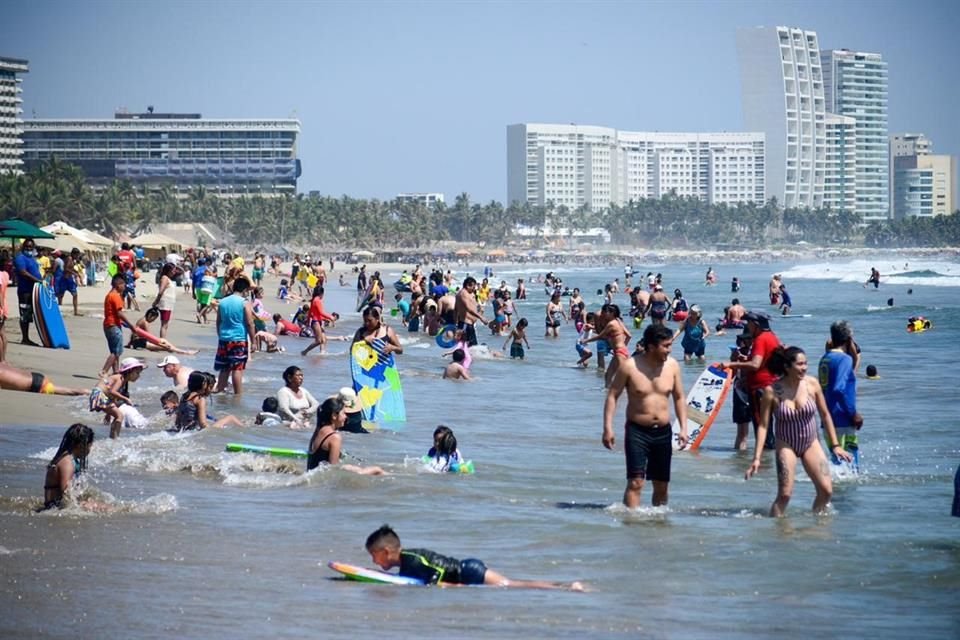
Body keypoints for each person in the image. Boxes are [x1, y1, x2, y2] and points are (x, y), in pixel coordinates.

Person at [745, 347, 853, 516]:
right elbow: (764, 426)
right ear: (787, 367)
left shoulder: (812, 384)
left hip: (811, 442)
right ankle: (777, 532)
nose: (804, 368)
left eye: (806, 363)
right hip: (786, 443)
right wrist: (757, 458)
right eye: (800, 364)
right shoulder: (771, 391)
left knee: (826, 491)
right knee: (785, 495)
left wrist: (836, 446)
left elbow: (825, 415)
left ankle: (817, 526)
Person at [602, 324, 687, 507]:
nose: (669, 350)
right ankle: (631, 527)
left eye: (670, 345)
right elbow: (612, 396)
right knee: (636, 482)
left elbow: (679, 398)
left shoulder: (672, 366)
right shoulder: (630, 367)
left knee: (661, 485)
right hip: (637, 432)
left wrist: (683, 428)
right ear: (651, 347)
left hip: (663, 432)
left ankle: (658, 527)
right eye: (666, 346)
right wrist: (608, 428)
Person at [365, 524, 584, 590]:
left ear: (386, 552)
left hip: (468, 571)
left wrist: (445, 586)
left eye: (374, 556)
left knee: (513, 584)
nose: (374, 562)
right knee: (514, 583)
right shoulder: (405, 564)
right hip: (468, 569)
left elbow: (435, 573)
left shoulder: (411, 559)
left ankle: (567, 587)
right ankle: (564, 585)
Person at [725, 311, 782, 450]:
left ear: (756, 324)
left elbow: (755, 365)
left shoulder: (760, 339)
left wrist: (731, 364)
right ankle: (769, 465)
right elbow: (767, 362)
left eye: (749, 323)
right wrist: (746, 360)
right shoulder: (773, 337)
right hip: (773, 387)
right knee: (769, 428)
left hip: (759, 389)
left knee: (761, 430)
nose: (747, 326)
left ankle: (762, 466)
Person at [819, 321, 864, 466]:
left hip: (828, 418)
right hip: (842, 418)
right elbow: (839, 389)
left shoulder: (825, 358)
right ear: (849, 339)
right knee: (851, 465)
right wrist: (853, 413)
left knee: (837, 462)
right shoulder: (844, 359)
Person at [306, 397, 385, 474]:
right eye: (343, 413)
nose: (346, 417)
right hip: (322, 481)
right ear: (334, 416)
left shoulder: (318, 430)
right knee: (377, 470)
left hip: (312, 474)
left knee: (352, 467)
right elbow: (332, 470)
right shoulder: (334, 437)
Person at [214, 275, 258, 395]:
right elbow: (250, 323)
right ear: (244, 290)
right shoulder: (244, 303)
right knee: (237, 369)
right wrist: (254, 342)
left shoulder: (223, 302)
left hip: (224, 338)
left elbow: (218, 321)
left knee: (224, 368)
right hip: (238, 339)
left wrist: (220, 335)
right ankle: (238, 395)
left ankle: (220, 391)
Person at [40, 423, 95, 511]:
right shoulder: (67, 463)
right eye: (90, 446)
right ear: (81, 445)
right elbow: (66, 494)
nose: (90, 449)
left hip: (55, 507)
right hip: (57, 510)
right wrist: (86, 505)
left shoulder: (64, 458)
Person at [90, 357, 143, 438]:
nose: (138, 376)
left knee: (117, 415)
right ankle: (114, 437)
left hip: (100, 395)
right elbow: (112, 391)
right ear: (129, 371)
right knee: (120, 416)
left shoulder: (122, 380)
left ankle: (113, 436)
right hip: (99, 394)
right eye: (137, 373)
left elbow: (112, 396)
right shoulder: (120, 378)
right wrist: (125, 399)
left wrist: (108, 414)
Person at [174, 371, 242, 431]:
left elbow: (178, 420)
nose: (211, 390)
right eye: (209, 387)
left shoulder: (184, 397)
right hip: (194, 429)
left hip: (184, 429)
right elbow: (203, 424)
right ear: (203, 385)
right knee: (231, 418)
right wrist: (214, 429)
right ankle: (246, 428)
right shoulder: (200, 399)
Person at [100, 275, 135, 377]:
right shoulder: (116, 296)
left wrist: (123, 324)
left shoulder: (109, 295)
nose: (124, 286)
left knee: (114, 350)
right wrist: (131, 325)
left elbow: (113, 313)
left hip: (108, 325)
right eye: (123, 284)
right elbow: (119, 313)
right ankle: (104, 371)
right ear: (118, 285)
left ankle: (116, 371)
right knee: (116, 351)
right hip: (113, 325)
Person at [13, 239, 43, 346]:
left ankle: (29, 337)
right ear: (23, 247)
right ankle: (25, 338)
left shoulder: (32, 259)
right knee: (25, 314)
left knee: (31, 314)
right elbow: (23, 272)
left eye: (31, 247)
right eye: (27, 246)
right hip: (25, 291)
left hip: (34, 291)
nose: (29, 249)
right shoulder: (20, 258)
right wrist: (37, 280)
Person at [0, 361, 88, 396]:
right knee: (70, 390)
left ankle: (92, 393)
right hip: (33, 377)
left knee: (71, 392)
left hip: (36, 384)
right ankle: (92, 393)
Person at [730, 330, 753, 450]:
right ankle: (740, 459)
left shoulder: (755, 354)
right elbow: (732, 374)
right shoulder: (739, 353)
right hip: (740, 391)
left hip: (751, 391)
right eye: (743, 340)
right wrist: (734, 360)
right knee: (742, 432)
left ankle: (742, 458)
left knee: (746, 431)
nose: (743, 343)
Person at [301, 285, 334, 356]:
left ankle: (322, 352)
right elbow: (321, 312)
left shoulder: (314, 299)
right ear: (321, 293)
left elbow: (310, 311)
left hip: (318, 321)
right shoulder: (317, 300)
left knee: (324, 339)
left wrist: (307, 321)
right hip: (315, 322)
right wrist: (330, 317)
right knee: (318, 341)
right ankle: (304, 352)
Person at [454, 277, 485, 347]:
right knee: (469, 347)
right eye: (473, 287)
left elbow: (455, 309)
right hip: (465, 324)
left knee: (471, 347)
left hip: (468, 325)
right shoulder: (463, 294)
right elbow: (468, 308)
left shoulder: (468, 293)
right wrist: (481, 317)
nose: (474, 288)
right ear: (468, 285)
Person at [152, 263, 177, 339]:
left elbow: (181, 271)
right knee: (164, 324)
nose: (174, 272)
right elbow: (161, 291)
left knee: (165, 324)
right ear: (168, 270)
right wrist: (156, 302)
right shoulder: (165, 278)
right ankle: (162, 341)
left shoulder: (168, 278)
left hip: (168, 304)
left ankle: (163, 340)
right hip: (165, 303)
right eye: (173, 270)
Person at [54, 248, 82, 316]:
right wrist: (74, 273)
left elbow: (70, 268)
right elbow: (66, 269)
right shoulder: (69, 259)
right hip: (65, 279)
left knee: (74, 294)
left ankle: (75, 311)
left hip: (69, 279)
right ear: (73, 254)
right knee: (60, 295)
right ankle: (59, 309)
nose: (77, 256)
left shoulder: (72, 260)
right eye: (77, 255)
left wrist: (76, 272)